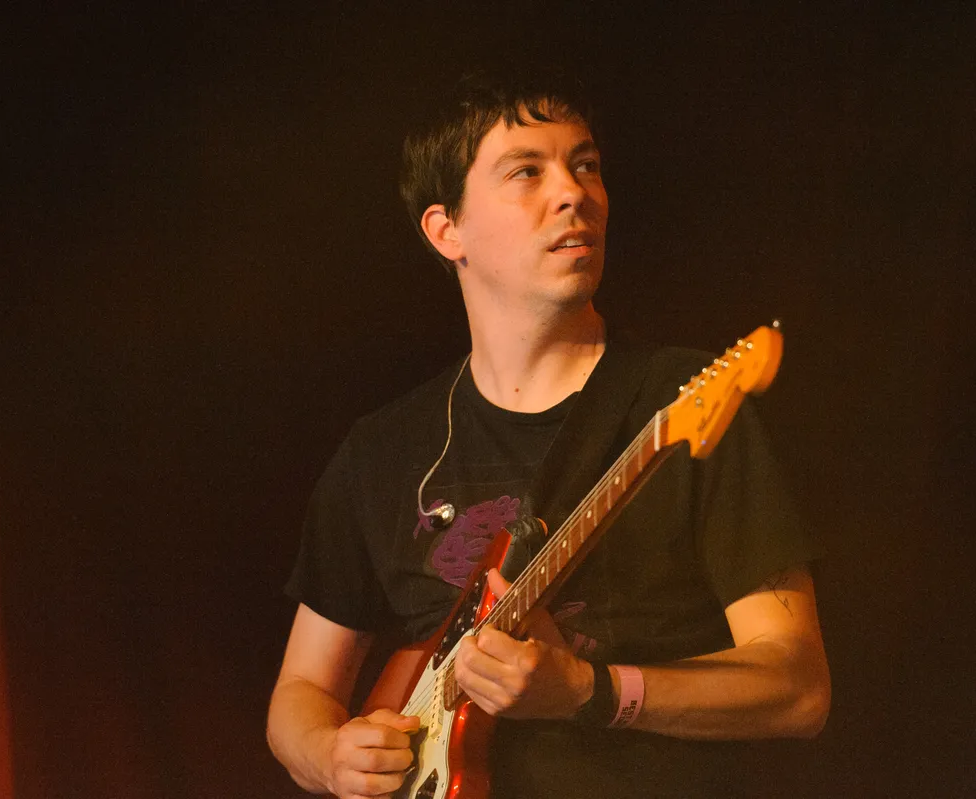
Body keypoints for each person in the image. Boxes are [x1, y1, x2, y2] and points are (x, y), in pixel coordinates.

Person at [266, 69, 830, 798]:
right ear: (446, 230)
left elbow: (798, 688)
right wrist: (331, 754)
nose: (573, 193)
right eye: (527, 171)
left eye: (585, 164)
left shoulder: (682, 399)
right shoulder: (381, 453)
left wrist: (590, 690)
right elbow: (300, 694)